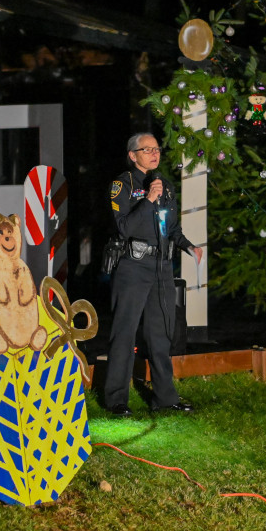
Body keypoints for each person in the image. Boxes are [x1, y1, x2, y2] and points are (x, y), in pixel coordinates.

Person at [104, 132, 202, 416]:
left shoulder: (166, 186)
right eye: (146, 149)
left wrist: (189, 246)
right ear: (132, 155)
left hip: (161, 268)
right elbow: (124, 227)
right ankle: (116, 400)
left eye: (156, 148)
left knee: (161, 335)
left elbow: (172, 229)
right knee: (125, 333)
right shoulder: (123, 185)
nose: (153, 153)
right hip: (133, 267)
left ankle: (165, 397)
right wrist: (147, 200)